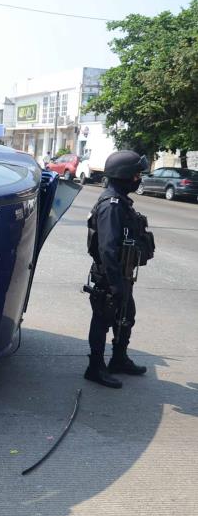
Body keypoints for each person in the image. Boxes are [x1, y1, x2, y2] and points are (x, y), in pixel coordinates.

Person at [84, 150, 154, 388]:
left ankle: (119, 359)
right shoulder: (111, 205)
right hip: (109, 277)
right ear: (124, 176)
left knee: (126, 318)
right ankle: (94, 367)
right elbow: (107, 249)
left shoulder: (121, 202)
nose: (139, 179)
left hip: (121, 275)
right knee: (102, 321)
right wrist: (115, 285)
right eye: (136, 175)